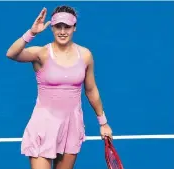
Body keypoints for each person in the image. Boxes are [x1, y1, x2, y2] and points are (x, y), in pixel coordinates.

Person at [6, 5, 113, 169]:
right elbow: (12, 54)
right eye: (58, 27)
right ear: (52, 28)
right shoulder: (40, 53)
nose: (62, 31)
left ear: (74, 28)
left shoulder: (85, 55)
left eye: (67, 27)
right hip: (43, 126)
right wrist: (32, 33)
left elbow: (91, 90)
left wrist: (103, 122)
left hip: (71, 126)